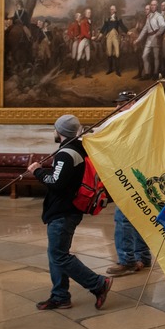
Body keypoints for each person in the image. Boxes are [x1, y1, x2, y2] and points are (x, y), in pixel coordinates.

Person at [27, 114, 113, 311]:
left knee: (59, 255)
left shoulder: (67, 153)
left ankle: (98, 284)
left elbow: (56, 183)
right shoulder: (75, 149)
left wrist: (38, 171)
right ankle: (60, 296)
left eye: (55, 129)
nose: (54, 132)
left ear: (59, 132)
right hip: (65, 209)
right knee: (55, 253)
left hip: (63, 211)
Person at [106, 91, 152, 276]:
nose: (116, 108)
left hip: (133, 177)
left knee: (124, 219)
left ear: (132, 104)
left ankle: (127, 260)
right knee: (137, 219)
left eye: (121, 104)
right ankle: (143, 256)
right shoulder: (133, 123)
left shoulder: (136, 124)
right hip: (131, 175)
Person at [134, 0, 165, 80]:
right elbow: (145, 29)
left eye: (154, 5)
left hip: (156, 38)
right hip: (149, 39)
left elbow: (163, 26)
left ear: (157, 6)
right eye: (151, 5)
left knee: (156, 57)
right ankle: (147, 74)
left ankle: (155, 73)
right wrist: (138, 39)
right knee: (144, 56)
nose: (153, 6)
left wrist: (158, 34)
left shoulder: (159, 16)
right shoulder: (149, 17)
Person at [100, 4, 128, 76]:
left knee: (117, 53)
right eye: (111, 9)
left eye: (113, 9)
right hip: (108, 37)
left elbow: (122, 26)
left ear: (115, 10)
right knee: (109, 53)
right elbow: (104, 27)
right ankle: (110, 69)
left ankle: (117, 70)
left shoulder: (118, 19)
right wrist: (100, 34)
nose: (111, 10)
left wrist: (127, 31)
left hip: (115, 37)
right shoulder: (107, 19)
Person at [73, 8, 94, 79]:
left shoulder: (90, 21)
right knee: (79, 56)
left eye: (90, 12)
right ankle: (75, 73)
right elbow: (84, 32)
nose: (89, 14)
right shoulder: (83, 21)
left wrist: (91, 37)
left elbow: (89, 31)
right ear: (85, 14)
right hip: (82, 40)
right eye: (88, 13)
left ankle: (86, 73)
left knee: (88, 57)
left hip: (87, 41)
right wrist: (90, 37)